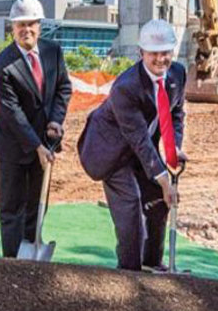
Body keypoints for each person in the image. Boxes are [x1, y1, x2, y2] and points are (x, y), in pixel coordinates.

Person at [77, 19, 186, 271]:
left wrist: (174, 149)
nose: (160, 59)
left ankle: (152, 264)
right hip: (109, 150)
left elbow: (176, 114)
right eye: (153, 53)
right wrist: (164, 179)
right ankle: (130, 272)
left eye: (165, 52)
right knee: (131, 209)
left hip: (141, 149)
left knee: (159, 202)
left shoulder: (178, 74)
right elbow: (138, 139)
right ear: (141, 53)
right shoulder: (126, 87)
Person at [0, 0, 72, 258]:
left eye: (31, 24)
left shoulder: (52, 51)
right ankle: (13, 263)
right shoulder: (2, 65)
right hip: (13, 144)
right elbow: (12, 113)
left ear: (40, 25)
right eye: (21, 25)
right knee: (12, 209)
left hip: (46, 141)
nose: (27, 30)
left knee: (38, 203)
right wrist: (36, 146)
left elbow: (63, 88)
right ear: (13, 28)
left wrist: (56, 120)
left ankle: (33, 253)